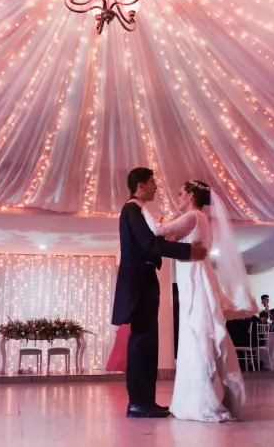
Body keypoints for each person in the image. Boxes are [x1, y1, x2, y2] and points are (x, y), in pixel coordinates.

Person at [147, 180, 258, 422]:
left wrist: (142, 208)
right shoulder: (199, 219)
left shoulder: (193, 216)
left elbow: (157, 230)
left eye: (180, 193)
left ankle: (203, 400)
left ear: (191, 196)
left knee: (198, 334)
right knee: (195, 334)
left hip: (195, 280)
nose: (177, 197)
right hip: (192, 279)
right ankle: (199, 397)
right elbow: (172, 240)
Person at [111, 168, 207, 419]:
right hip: (140, 281)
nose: (156, 187)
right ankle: (139, 402)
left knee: (147, 341)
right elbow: (150, 243)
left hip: (144, 278)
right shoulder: (132, 208)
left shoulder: (137, 210)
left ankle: (144, 401)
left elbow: (151, 241)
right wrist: (188, 252)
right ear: (141, 185)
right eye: (153, 183)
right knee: (143, 341)